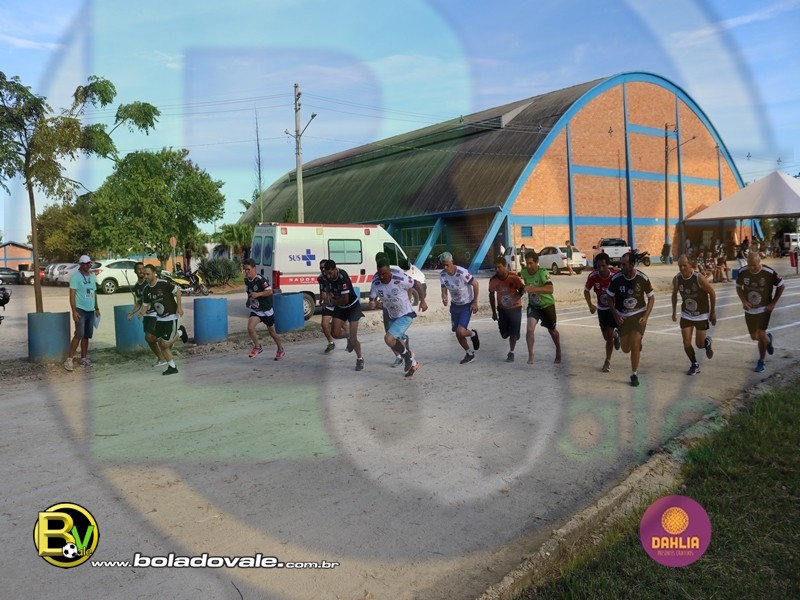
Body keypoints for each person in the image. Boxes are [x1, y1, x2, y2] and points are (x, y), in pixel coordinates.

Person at [368, 257, 428, 377]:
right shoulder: (376, 282)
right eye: (379, 274)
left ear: (389, 270)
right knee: (398, 343)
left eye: (384, 274)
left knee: (388, 339)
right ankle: (413, 364)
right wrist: (374, 304)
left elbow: (417, 284)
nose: (382, 277)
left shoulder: (399, 278)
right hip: (392, 315)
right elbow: (372, 300)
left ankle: (407, 356)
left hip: (405, 314)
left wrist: (422, 301)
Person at [607, 252, 655, 387]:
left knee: (635, 344)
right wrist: (616, 316)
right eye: (621, 264)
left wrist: (646, 317)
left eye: (624, 264)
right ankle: (618, 335)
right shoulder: (616, 279)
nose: (621, 266)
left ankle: (634, 374)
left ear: (632, 264)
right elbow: (609, 297)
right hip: (623, 317)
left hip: (638, 315)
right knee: (625, 349)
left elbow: (651, 297)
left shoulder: (642, 278)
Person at [736, 253, 784, 373]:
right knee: (754, 337)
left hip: (764, 309)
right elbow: (738, 287)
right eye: (749, 265)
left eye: (754, 265)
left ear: (759, 262)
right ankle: (768, 340)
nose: (752, 268)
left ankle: (761, 361)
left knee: (761, 333)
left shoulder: (768, 272)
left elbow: (781, 285)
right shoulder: (742, 271)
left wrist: (772, 304)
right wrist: (744, 301)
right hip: (750, 309)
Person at [671, 254, 717, 375]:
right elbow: (674, 294)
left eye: (684, 265)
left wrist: (712, 312)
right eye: (680, 266)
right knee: (686, 341)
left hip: (701, 314)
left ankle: (707, 343)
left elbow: (712, 292)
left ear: (690, 264)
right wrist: (674, 312)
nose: (682, 268)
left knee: (699, 344)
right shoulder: (677, 279)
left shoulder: (698, 278)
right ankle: (694, 364)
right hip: (686, 314)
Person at [138, 264, 184, 375]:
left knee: (165, 344)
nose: (146, 276)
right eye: (144, 274)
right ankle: (172, 367)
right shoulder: (146, 289)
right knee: (159, 342)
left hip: (171, 316)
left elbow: (178, 291)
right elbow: (145, 304)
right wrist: (141, 313)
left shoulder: (163, 284)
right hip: (159, 319)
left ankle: (180, 332)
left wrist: (179, 307)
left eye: (148, 274)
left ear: (154, 273)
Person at [519, 250, 561, 365]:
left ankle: (558, 349)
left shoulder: (543, 273)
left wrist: (534, 289)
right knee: (530, 329)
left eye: (531, 263)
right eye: (527, 263)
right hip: (534, 306)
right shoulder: (524, 272)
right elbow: (522, 285)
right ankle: (531, 355)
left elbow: (550, 289)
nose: (529, 266)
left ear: (536, 262)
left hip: (547, 305)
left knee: (552, 331)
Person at [323, 259, 365, 371]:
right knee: (334, 333)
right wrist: (328, 296)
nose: (328, 276)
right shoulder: (327, 275)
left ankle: (360, 359)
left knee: (354, 338)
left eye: (330, 273)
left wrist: (331, 302)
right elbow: (328, 287)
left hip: (352, 307)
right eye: (326, 273)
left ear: (335, 269)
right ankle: (348, 336)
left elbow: (345, 300)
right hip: (340, 307)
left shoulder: (343, 277)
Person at [439, 251, 480, 364]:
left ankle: (473, 333)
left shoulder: (462, 272)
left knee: (460, 331)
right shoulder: (442, 275)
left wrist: (475, 302)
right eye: (443, 265)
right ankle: (469, 353)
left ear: (452, 262)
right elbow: (443, 288)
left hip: (466, 304)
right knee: (457, 332)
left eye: (447, 264)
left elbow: (476, 284)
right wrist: (444, 297)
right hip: (455, 305)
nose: (445, 267)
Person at [583, 252, 619, 372]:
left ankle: (607, 361)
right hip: (602, 309)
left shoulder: (615, 275)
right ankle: (616, 335)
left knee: (609, 334)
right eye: (599, 266)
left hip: (613, 308)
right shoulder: (593, 276)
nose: (601, 269)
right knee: (606, 336)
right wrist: (590, 305)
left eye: (603, 266)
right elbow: (586, 291)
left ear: (608, 265)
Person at [244, 258, 285, 360]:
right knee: (250, 328)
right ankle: (257, 347)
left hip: (266, 310)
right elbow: (250, 292)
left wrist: (258, 294)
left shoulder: (260, 279)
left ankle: (280, 349)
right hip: (256, 310)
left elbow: (270, 291)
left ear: (254, 268)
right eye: (245, 269)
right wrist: (248, 301)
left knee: (272, 332)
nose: (247, 272)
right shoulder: (247, 280)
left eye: (248, 269)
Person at [127, 261, 167, 367]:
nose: (141, 271)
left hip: (155, 313)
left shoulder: (149, 282)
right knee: (150, 339)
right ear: (135, 271)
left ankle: (164, 355)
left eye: (142, 269)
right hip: (147, 315)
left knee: (150, 337)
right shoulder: (137, 287)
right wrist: (133, 312)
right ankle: (162, 357)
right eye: (139, 269)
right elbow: (140, 302)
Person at [64, 255, 100, 371]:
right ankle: (69, 359)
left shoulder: (92, 276)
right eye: (85, 263)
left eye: (88, 263)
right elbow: (72, 296)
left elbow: (94, 293)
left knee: (86, 335)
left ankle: (84, 358)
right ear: (80, 264)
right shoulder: (75, 277)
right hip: (80, 310)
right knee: (79, 334)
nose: (87, 265)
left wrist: (97, 308)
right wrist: (74, 311)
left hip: (90, 310)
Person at [488, 255, 525, 362]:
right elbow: (491, 295)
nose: (497, 270)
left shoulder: (514, 277)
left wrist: (513, 300)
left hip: (515, 308)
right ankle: (514, 332)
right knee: (504, 335)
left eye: (499, 267)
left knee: (513, 333)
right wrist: (494, 312)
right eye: (495, 267)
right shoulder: (493, 280)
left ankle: (511, 352)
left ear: (505, 266)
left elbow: (522, 290)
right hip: (502, 310)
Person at [317, 259, 336, 353]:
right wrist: (321, 298)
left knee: (341, 325)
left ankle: (350, 338)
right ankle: (331, 342)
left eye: (324, 268)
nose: (322, 270)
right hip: (328, 304)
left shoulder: (335, 276)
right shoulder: (321, 278)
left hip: (337, 303)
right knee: (324, 324)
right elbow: (321, 289)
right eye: (320, 268)